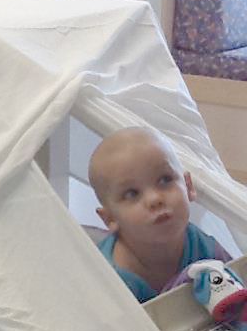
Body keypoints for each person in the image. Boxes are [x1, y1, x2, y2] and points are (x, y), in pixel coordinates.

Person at [88, 126, 232, 302]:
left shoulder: (204, 248)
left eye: (165, 180)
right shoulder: (108, 280)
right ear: (110, 218)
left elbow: (238, 290)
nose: (155, 199)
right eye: (132, 193)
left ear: (188, 186)